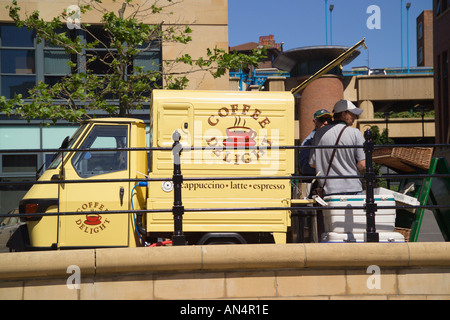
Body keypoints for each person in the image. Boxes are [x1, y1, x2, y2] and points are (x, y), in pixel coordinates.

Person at [309, 100, 366, 196]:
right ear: (344, 114)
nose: (355, 117)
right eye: (353, 114)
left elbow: (312, 164)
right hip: (353, 187)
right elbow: (362, 164)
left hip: (329, 189)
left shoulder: (319, 134)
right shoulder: (355, 133)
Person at [299, 109, 333, 176]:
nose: (326, 123)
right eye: (322, 120)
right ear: (315, 121)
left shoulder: (334, 138)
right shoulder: (308, 142)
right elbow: (305, 169)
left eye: (328, 120)